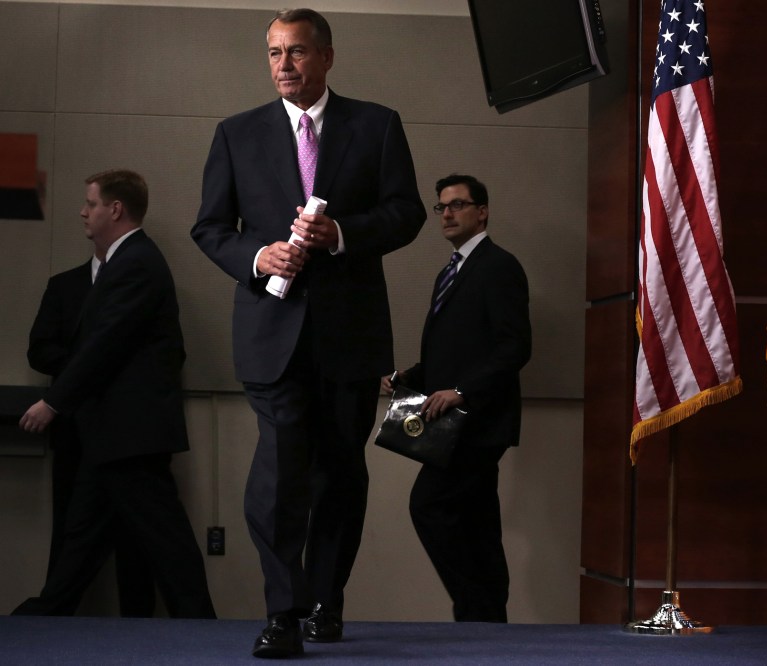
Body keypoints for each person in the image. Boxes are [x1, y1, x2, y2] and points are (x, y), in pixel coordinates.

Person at [191, 8, 425, 658]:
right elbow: (210, 228)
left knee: (341, 477)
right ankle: (283, 613)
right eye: (272, 53)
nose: (282, 65)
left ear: (325, 56)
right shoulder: (235, 135)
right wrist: (256, 257)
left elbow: (407, 214)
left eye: (295, 52)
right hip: (271, 337)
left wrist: (343, 234)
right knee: (278, 474)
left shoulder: (377, 126)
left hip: (349, 340)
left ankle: (327, 599)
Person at [14, 169, 215, 619]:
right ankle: (42, 618)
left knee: (165, 545)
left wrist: (53, 402)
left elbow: (104, 345)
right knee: (82, 541)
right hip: (115, 436)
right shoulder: (131, 261)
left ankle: (203, 629)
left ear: (116, 209)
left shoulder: (136, 262)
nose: (84, 212)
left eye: (91, 203)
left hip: (130, 436)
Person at [382, 174, 531, 623]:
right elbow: (450, 353)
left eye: (457, 205)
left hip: (479, 421)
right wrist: (406, 377)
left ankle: (476, 608)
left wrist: (462, 391)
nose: (446, 213)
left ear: (481, 211)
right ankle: (489, 619)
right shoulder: (450, 271)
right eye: (441, 207)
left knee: (429, 505)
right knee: (479, 523)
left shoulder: (499, 266)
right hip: (455, 423)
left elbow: (514, 347)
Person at [27, 257, 157, 617]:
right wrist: (87, 365)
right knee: (70, 529)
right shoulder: (64, 285)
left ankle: (138, 619)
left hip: (126, 431)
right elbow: (38, 349)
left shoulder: (138, 282)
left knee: (135, 539)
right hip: (75, 429)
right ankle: (54, 619)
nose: (85, 213)